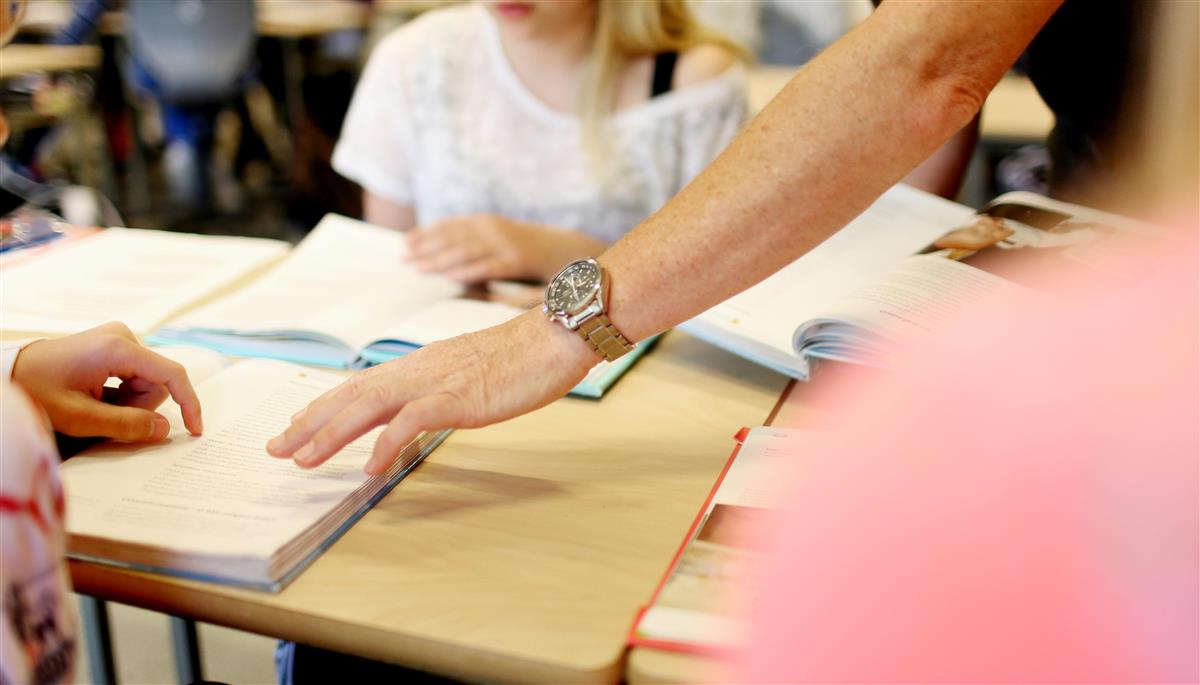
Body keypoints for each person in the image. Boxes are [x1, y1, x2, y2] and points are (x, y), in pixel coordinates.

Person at [267, 0, 1093, 473]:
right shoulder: (420, 59)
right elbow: (924, 95)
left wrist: (555, 326)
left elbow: (927, 73)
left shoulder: (690, 79)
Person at [332, 0, 746, 284]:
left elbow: (724, 279)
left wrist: (553, 253)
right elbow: (391, 262)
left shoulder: (692, 84)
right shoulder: (413, 59)